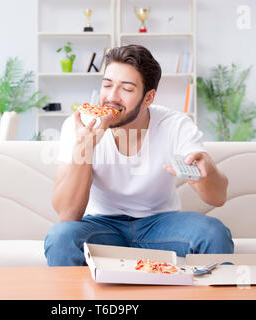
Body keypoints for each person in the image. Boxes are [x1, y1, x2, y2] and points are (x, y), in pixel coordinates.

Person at [44, 44, 233, 266]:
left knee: (214, 232)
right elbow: (67, 216)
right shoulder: (80, 124)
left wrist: (205, 172)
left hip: (160, 225)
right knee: (60, 237)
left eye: (126, 89)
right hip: (101, 227)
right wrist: (84, 149)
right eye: (107, 85)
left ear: (148, 98)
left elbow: (217, 198)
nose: (111, 97)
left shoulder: (174, 125)